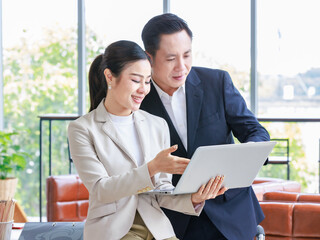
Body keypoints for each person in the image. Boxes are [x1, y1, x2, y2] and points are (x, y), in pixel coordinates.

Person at [68, 40, 227, 240]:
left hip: (157, 228)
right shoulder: (82, 129)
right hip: (115, 230)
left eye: (147, 81)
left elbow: (161, 191)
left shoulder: (157, 125)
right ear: (109, 76)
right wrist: (152, 167)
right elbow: (101, 189)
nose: (144, 89)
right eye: (136, 80)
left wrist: (194, 198)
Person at [140, 13, 270, 240]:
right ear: (148, 58)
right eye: (171, 58)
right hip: (174, 221)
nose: (181, 66)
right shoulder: (138, 100)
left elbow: (255, 131)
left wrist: (249, 153)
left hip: (231, 213)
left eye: (187, 55)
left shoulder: (216, 82)